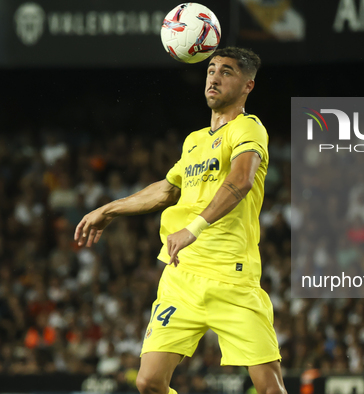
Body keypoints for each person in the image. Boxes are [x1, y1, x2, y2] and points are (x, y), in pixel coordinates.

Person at [74, 47, 286, 394]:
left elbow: (241, 180)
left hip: (231, 278)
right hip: (181, 278)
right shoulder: (195, 142)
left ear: (248, 85)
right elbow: (167, 190)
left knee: (269, 388)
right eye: (211, 70)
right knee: (149, 381)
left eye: (226, 72)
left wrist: (194, 228)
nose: (214, 77)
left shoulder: (249, 129)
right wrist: (109, 209)